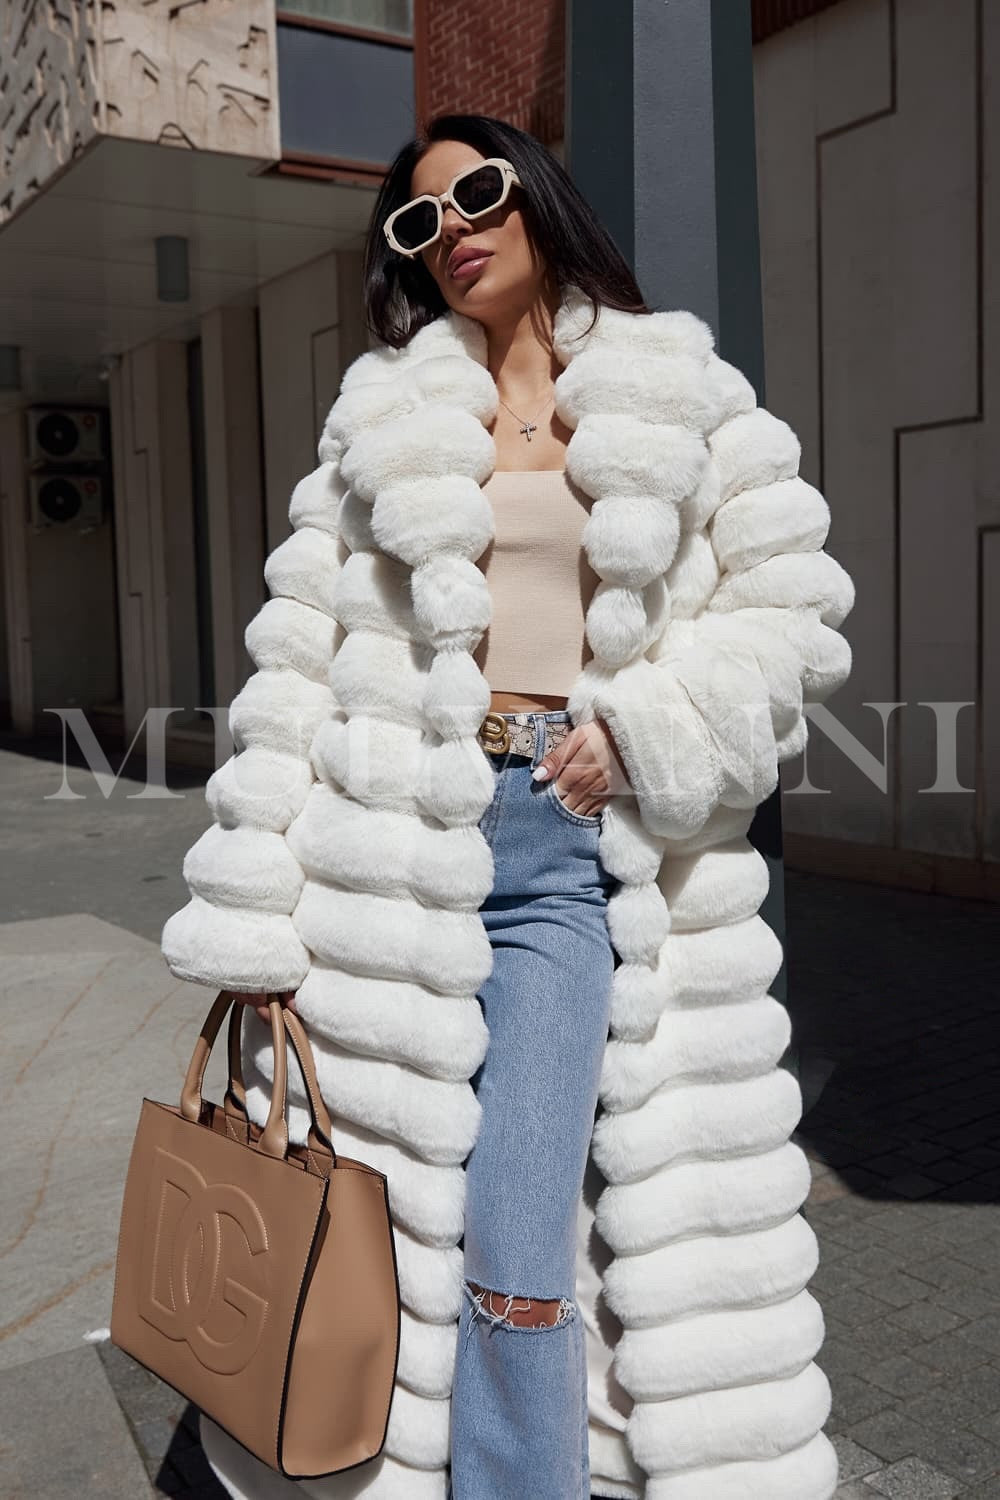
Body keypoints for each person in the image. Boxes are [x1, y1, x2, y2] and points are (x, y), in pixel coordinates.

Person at [161, 113, 854, 1500]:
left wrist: (643, 729)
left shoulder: (684, 392)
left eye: (475, 196)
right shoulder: (378, 422)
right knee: (383, 1212)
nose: (454, 232)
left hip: (561, 847)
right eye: (419, 225)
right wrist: (252, 917)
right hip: (387, 856)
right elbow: (293, 673)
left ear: (535, 197)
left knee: (513, 1231)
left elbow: (795, 618)